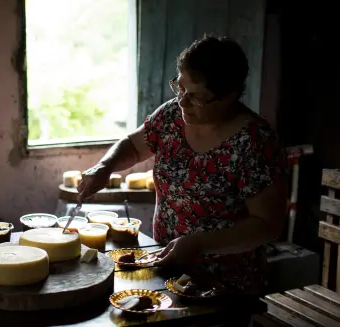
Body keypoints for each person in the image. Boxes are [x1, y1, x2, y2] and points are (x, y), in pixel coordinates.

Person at [77, 35, 288, 294]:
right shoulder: (171, 116)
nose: (182, 101)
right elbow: (133, 145)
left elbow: (268, 224)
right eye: (180, 87)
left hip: (225, 282)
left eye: (196, 96)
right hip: (168, 268)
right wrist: (105, 166)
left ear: (229, 96)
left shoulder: (255, 142)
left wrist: (199, 244)